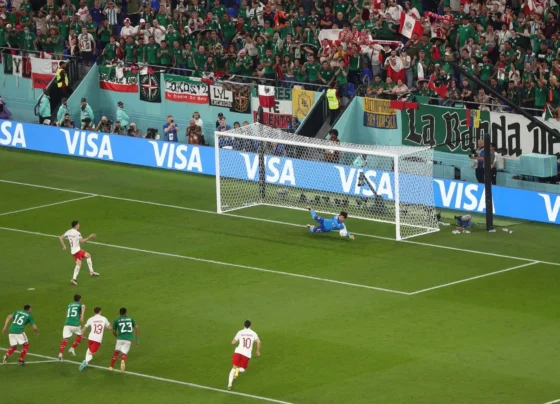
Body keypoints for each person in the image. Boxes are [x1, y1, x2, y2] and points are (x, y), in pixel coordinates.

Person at [59, 220, 99, 286]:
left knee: (88, 255)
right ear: (76, 226)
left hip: (77, 250)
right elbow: (83, 241)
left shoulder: (68, 232)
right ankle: (73, 279)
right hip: (76, 251)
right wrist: (90, 236)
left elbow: (60, 237)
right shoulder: (77, 233)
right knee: (79, 265)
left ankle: (91, 272)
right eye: (78, 224)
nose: (79, 225)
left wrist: (64, 246)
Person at [227, 320, 261, 391]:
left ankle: (229, 385)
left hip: (238, 352)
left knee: (233, 368)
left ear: (244, 325)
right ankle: (237, 371)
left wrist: (233, 342)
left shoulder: (240, 332)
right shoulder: (253, 333)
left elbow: (233, 342)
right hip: (246, 354)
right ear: (250, 325)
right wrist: (258, 351)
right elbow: (258, 342)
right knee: (242, 369)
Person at [79, 307, 112, 371]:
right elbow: (110, 327)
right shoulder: (104, 318)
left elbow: (84, 328)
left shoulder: (90, 319)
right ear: (100, 311)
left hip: (90, 338)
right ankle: (85, 361)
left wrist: (82, 336)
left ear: (94, 312)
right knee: (92, 353)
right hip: (97, 339)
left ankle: (86, 363)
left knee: (89, 349)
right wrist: (105, 326)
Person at [109, 308, 139, 372]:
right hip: (128, 339)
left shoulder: (116, 320)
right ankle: (122, 360)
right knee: (124, 353)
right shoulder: (130, 319)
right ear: (126, 312)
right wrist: (137, 339)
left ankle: (111, 366)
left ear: (119, 313)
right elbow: (137, 327)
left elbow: (113, 332)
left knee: (116, 352)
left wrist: (117, 336)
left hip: (120, 338)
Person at [58, 294, 85, 361]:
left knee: (65, 339)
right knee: (80, 336)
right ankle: (72, 348)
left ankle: (60, 353)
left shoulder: (69, 305)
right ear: (80, 299)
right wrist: (82, 316)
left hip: (67, 324)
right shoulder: (80, 305)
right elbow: (83, 306)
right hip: (75, 324)